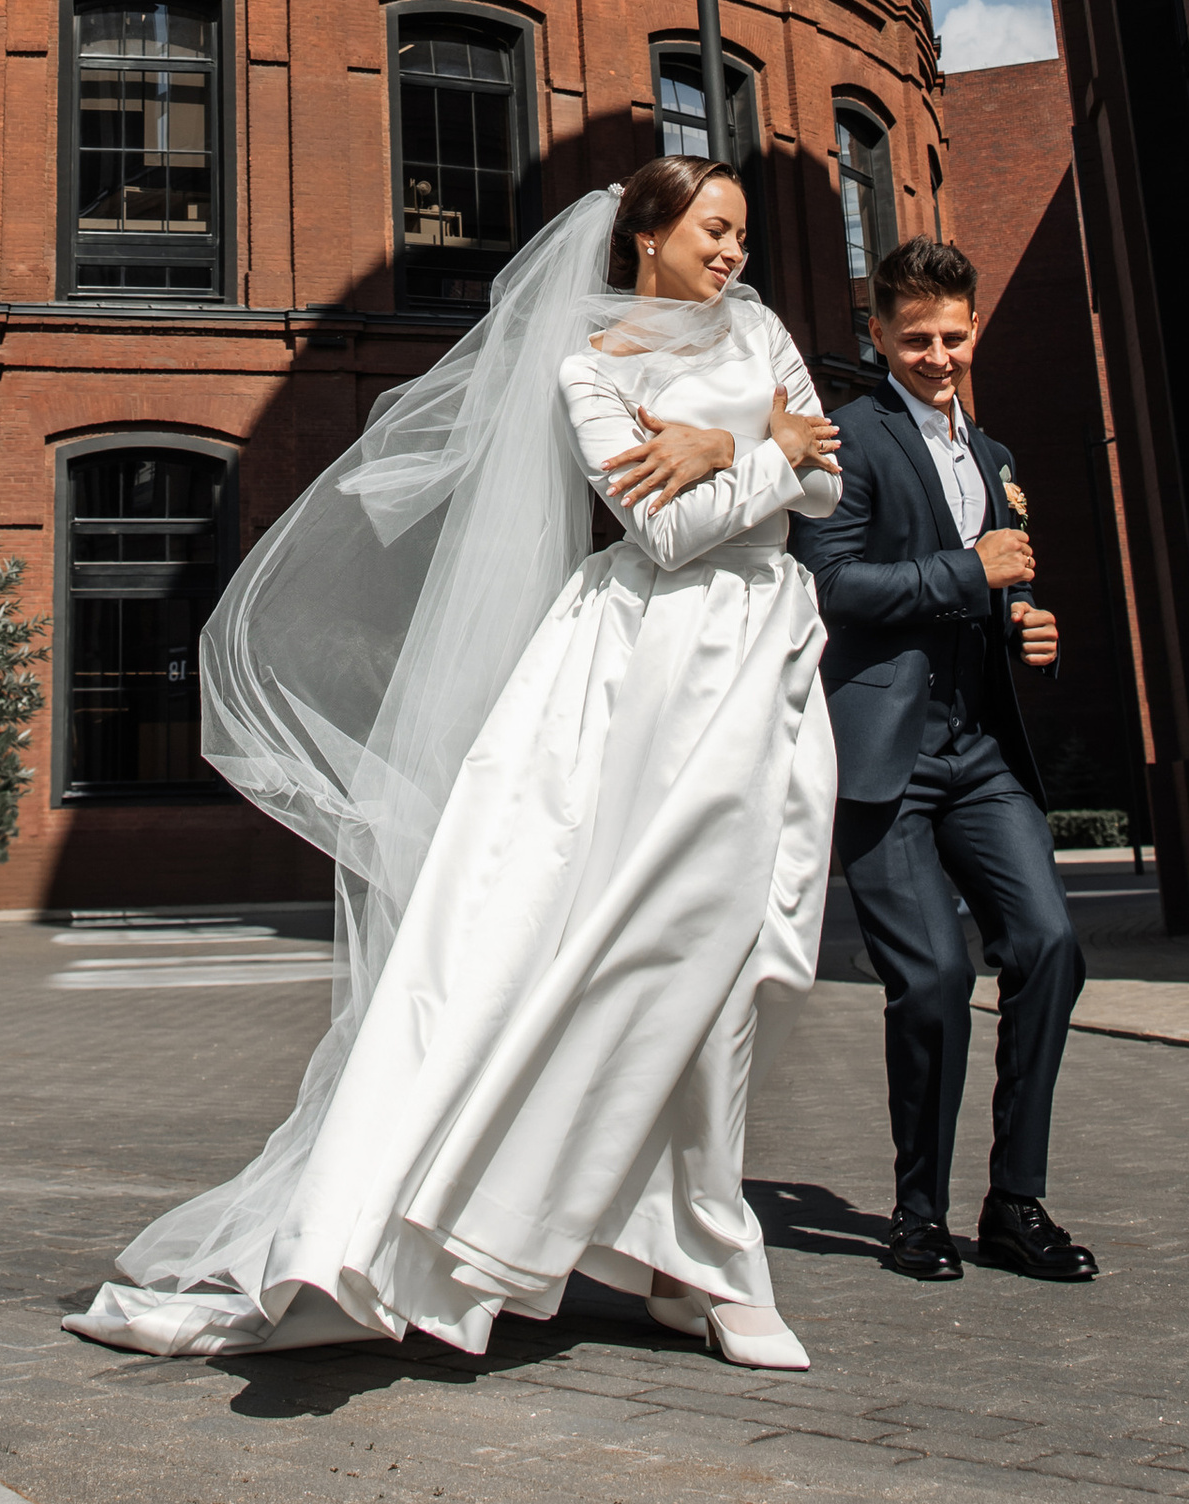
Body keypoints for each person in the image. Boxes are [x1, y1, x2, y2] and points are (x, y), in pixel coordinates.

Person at [64, 157, 844, 1368]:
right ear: (646, 238)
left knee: (744, 959)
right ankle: (705, 1261)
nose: (736, 257)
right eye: (714, 233)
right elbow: (668, 530)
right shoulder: (588, 369)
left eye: (742, 236)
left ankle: (670, 1248)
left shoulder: (757, 325)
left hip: (767, 661)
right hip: (651, 676)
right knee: (645, 948)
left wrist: (719, 443)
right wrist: (752, 453)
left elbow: (830, 478)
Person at [793, 236, 1099, 1286]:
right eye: (914, 338)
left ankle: (1015, 1202)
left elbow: (1001, 589)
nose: (936, 356)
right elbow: (832, 589)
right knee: (928, 979)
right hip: (888, 754)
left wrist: (1029, 625)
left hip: (981, 749)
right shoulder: (848, 439)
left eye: (953, 337)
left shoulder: (1000, 457)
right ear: (876, 336)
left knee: (1049, 946)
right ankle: (915, 1213)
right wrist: (970, 572)